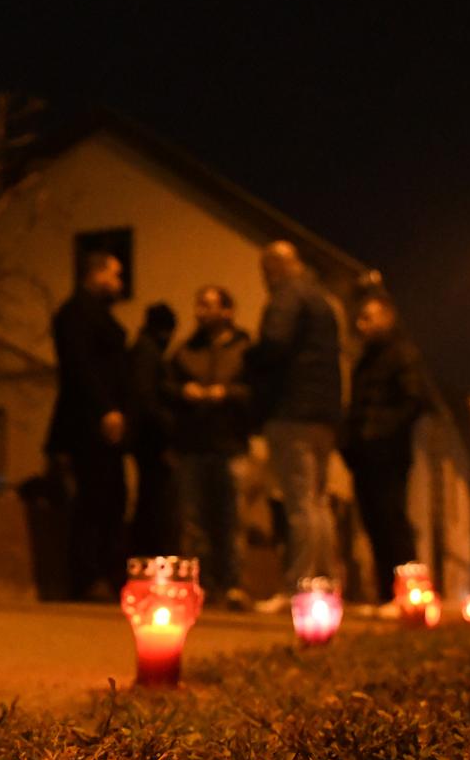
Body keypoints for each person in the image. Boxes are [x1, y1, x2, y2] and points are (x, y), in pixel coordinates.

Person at [243, 241, 343, 610]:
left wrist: (248, 360)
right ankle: (324, 584)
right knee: (318, 502)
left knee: (300, 503)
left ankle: (298, 587)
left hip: (292, 411)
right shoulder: (323, 301)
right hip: (323, 414)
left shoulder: (288, 296)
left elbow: (273, 345)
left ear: (274, 267)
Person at [45, 251, 130, 599]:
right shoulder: (76, 314)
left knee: (113, 497)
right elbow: (80, 366)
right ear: (96, 274)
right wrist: (105, 409)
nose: (119, 284)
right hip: (88, 423)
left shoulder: (93, 313)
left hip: (102, 420)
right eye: (115, 274)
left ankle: (107, 574)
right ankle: (88, 576)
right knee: (94, 499)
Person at [342, 289, 431, 611]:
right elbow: (357, 406)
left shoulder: (402, 354)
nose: (361, 324)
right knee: (373, 524)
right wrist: (349, 443)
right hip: (364, 455)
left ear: (387, 318)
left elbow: (414, 400)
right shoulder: (365, 359)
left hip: (389, 454)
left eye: (369, 317)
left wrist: (383, 432)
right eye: (360, 319)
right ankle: (385, 595)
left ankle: (406, 595)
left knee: (392, 522)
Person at [166, 285, 253, 609]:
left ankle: (233, 586)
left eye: (209, 305)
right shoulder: (185, 351)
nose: (201, 312)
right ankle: (198, 586)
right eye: (199, 305)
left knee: (232, 520)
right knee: (193, 520)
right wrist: (183, 391)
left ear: (227, 311)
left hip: (230, 444)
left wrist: (226, 394)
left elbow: (256, 392)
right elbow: (166, 388)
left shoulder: (245, 349)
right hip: (192, 446)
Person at [128, 302, 179, 557]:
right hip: (152, 443)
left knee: (152, 502)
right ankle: (150, 557)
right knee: (155, 504)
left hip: (149, 441)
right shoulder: (148, 353)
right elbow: (145, 398)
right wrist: (168, 431)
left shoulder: (145, 350)